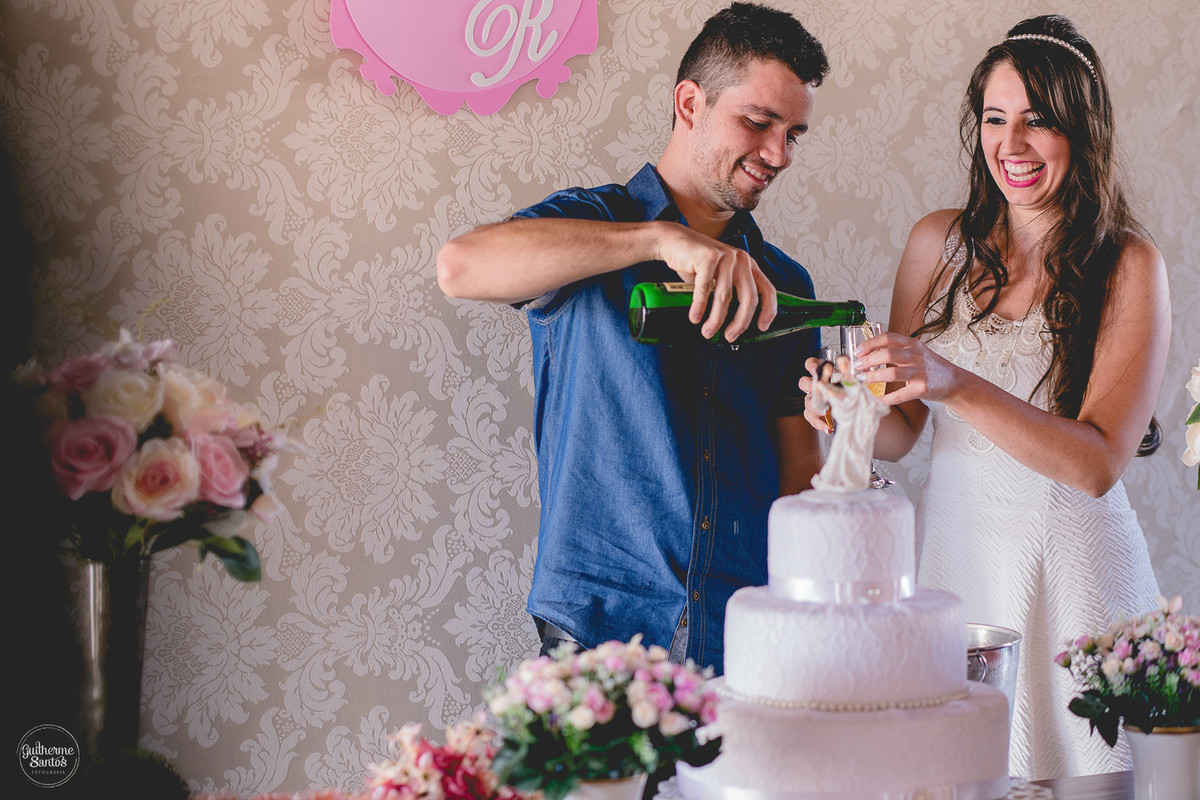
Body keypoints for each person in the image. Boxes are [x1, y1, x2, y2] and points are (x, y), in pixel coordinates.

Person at [802, 15, 1168, 780]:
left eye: (1040, 121)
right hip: (959, 567)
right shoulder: (937, 243)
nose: (1012, 145)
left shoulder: (1128, 262)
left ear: (1083, 129)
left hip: (1076, 577)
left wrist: (956, 383)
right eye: (996, 120)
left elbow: (1098, 463)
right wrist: (850, 418)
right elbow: (903, 426)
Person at [437, 2, 830, 675]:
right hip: (598, 629)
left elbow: (799, 468)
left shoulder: (783, 283)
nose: (777, 155)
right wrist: (656, 239)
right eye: (759, 123)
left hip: (744, 637)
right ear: (689, 103)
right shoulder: (591, 226)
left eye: (792, 134)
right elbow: (460, 267)